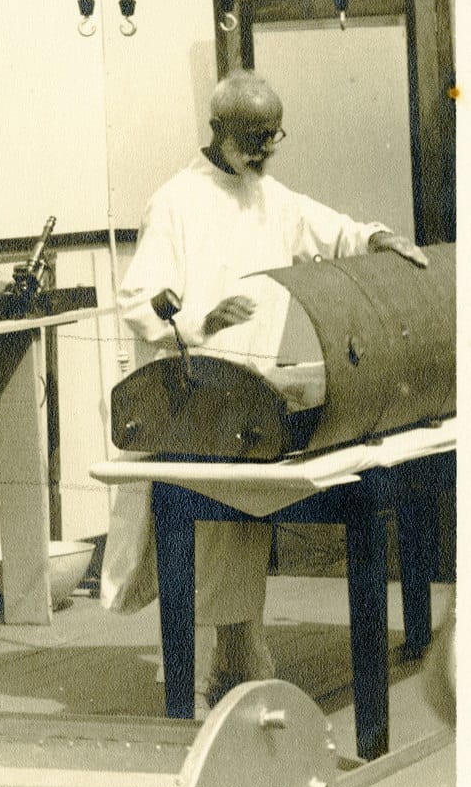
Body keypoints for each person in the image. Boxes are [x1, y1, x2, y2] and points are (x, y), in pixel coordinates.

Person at [100, 67, 428, 715]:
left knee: (250, 516)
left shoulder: (265, 192)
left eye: (271, 136)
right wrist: (197, 318)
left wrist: (376, 237)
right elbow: (140, 298)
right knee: (216, 526)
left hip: (252, 386)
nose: (262, 151)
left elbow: (323, 226)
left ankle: (235, 653)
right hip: (192, 391)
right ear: (218, 130)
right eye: (251, 137)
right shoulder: (174, 202)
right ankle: (225, 659)